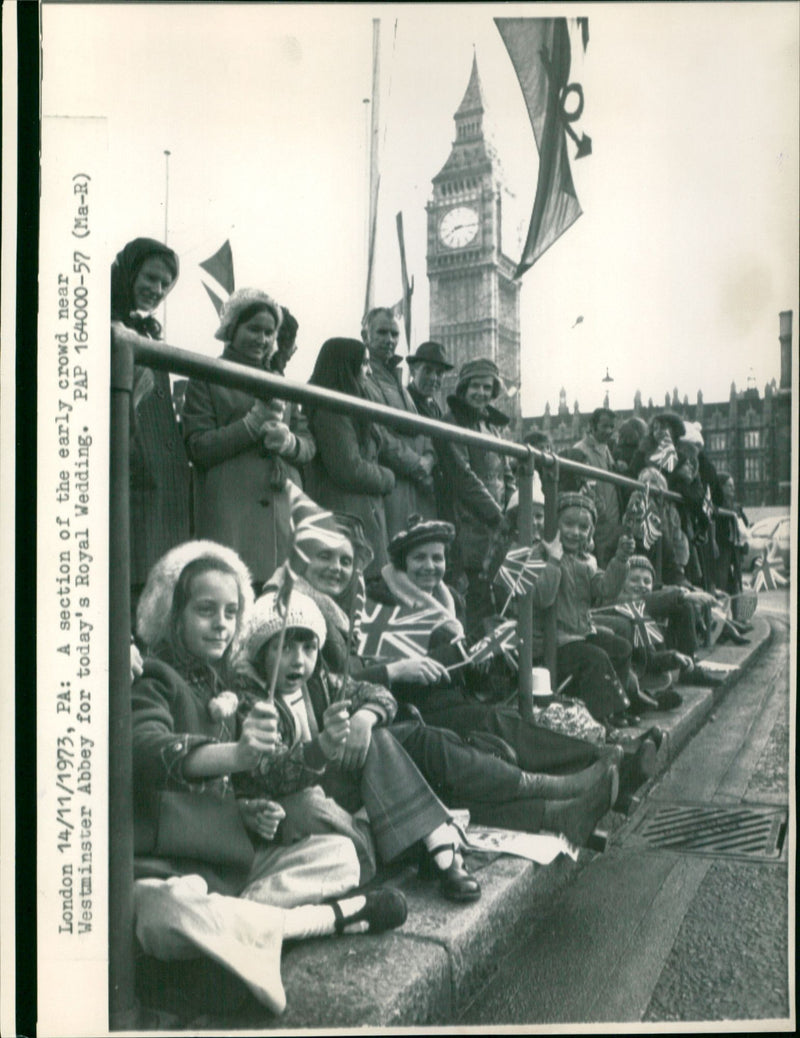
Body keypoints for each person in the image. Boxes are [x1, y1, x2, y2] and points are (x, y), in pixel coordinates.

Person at [131, 541, 407, 1015]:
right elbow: (146, 748)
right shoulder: (155, 676)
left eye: (231, 612)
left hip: (235, 869)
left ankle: (228, 938)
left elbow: (253, 777)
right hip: (173, 867)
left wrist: (245, 805)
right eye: (205, 610)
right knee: (161, 907)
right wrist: (235, 754)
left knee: (339, 853)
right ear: (174, 617)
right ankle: (330, 920)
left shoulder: (229, 687)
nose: (220, 622)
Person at [263, 516, 623, 847]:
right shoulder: (304, 613)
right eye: (324, 557)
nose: (337, 568)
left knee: (461, 751)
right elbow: (340, 681)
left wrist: (477, 656)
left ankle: (559, 809)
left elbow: (353, 684)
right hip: (370, 729)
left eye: (345, 560)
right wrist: (397, 673)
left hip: (384, 720)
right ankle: (574, 778)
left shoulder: (351, 607)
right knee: (445, 745)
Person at [238, 589, 482, 901]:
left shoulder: (318, 680)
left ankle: (439, 848)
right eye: (283, 648)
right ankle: (419, 841)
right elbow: (272, 773)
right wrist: (323, 746)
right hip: (284, 808)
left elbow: (377, 694)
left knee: (378, 737)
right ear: (262, 652)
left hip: (328, 787)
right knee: (312, 806)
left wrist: (365, 718)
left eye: (309, 648)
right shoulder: (251, 698)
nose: (298, 660)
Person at [182, 289, 314, 589]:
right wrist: (251, 426)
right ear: (232, 329)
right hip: (232, 523)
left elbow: (309, 444)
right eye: (253, 329)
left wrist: (290, 443)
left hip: (282, 522)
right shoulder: (207, 375)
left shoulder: (280, 381)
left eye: (269, 332)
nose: (262, 339)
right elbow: (198, 447)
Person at [110, 237, 191, 601]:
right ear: (129, 273)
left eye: (165, 284)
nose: (157, 289)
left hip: (159, 473)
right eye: (149, 278)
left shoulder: (148, 331)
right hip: (132, 465)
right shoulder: (104, 324)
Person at [303, 338, 395, 578]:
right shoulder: (332, 409)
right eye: (363, 363)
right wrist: (387, 478)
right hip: (345, 515)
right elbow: (348, 468)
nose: (370, 370)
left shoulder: (350, 404)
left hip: (359, 514)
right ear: (345, 366)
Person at [439, 357, 517, 637]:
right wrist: (497, 514)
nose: (481, 393)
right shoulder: (452, 422)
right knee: (471, 598)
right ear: (463, 388)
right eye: (475, 386)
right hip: (467, 524)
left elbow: (507, 472)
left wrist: (511, 507)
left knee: (494, 599)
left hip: (496, 527)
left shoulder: (492, 428)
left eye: (487, 388)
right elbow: (462, 476)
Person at [552, 493, 638, 729]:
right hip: (558, 640)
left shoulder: (586, 561)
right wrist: (552, 559)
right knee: (596, 658)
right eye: (568, 524)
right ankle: (597, 718)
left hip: (581, 633)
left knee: (621, 648)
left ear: (590, 532)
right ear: (556, 525)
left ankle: (616, 708)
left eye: (583, 527)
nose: (575, 532)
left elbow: (606, 587)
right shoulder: (550, 557)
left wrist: (621, 558)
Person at [361, 308, 437, 534]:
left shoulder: (398, 382)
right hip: (391, 485)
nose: (389, 340)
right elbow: (376, 432)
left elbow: (422, 427)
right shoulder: (364, 378)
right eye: (382, 333)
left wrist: (430, 458)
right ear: (365, 336)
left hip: (415, 487)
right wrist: (417, 464)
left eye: (394, 334)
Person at [574, 408, 622, 567]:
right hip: (598, 519)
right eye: (604, 426)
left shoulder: (607, 449)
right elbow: (583, 485)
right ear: (592, 426)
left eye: (611, 427)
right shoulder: (581, 450)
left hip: (611, 520)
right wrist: (599, 511)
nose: (608, 431)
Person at [713, 473, 749, 595]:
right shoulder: (716, 504)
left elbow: (745, 524)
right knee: (721, 581)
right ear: (721, 487)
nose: (733, 488)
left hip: (733, 549)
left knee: (735, 582)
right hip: (722, 548)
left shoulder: (734, 506)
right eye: (729, 486)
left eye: (733, 486)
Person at [406, 340, 453, 420]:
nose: (433, 378)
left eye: (439, 373)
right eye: (427, 370)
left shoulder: (432, 405)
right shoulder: (405, 400)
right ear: (413, 371)